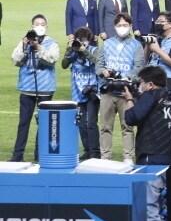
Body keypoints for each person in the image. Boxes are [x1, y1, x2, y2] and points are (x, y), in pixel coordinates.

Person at [122, 65, 171, 221]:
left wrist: (130, 100)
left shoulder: (151, 95)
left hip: (153, 159)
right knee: (165, 207)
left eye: (140, 84)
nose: (138, 87)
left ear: (149, 84)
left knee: (150, 207)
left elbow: (131, 118)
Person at [96, 13, 145, 162]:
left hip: (126, 92)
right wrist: (103, 71)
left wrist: (125, 77)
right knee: (105, 126)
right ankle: (105, 157)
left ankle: (128, 157)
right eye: (119, 25)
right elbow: (99, 65)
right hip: (108, 90)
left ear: (130, 26)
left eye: (125, 25)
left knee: (128, 127)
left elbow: (139, 68)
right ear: (114, 27)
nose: (122, 28)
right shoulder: (107, 44)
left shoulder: (136, 45)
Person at [10, 14, 59, 161]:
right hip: (27, 88)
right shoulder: (24, 42)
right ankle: (17, 156)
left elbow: (52, 59)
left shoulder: (52, 43)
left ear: (46, 26)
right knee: (23, 123)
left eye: (42, 24)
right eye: (37, 24)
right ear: (32, 26)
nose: (40, 26)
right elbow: (15, 60)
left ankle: (40, 155)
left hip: (45, 88)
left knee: (44, 124)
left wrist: (38, 47)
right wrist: (25, 47)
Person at [61, 26, 100, 159]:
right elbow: (64, 64)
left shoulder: (94, 50)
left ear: (89, 40)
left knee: (91, 123)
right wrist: (68, 49)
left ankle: (95, 152)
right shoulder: (73, 52)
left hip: (92, 92)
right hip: (78, 92)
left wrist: (85, 51)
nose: (82, 43)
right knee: (82, 123)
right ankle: (87, 151)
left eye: (84, 40)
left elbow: (97, 62)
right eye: (79, 40)